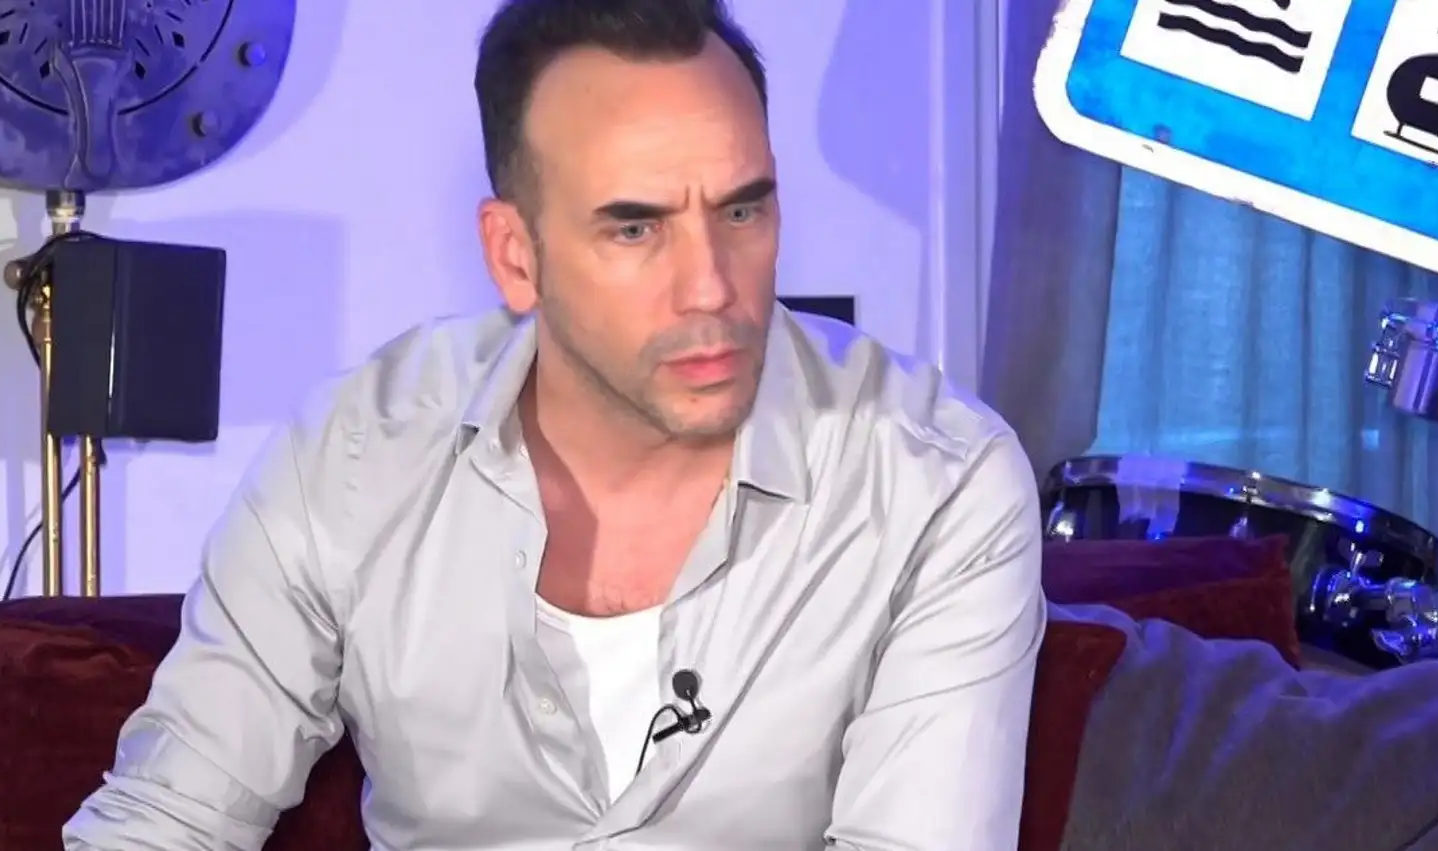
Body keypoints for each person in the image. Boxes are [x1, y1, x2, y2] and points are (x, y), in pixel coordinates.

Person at [63, 1, 1046, 848]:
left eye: (742, 212)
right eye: (636, 227)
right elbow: (168, 814)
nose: (711, 286)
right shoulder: (357, 454)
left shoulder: (935, 483)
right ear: (515, 256)